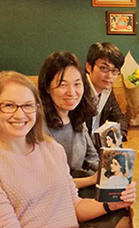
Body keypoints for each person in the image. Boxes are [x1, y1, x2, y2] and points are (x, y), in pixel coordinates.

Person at [0, 71, 136, 227]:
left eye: (28, 105)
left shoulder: (51, 148)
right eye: (8, 105)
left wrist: (111, 204)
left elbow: (73, 206)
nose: (19, 114)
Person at [38, 52, 100, 190]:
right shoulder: (38, 125)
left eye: (77, 84)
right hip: (53, 199)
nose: (72, 92)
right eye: (63, 85)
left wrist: (112, 170)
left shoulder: (75, 115)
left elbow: (92, 158)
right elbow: (48, 183)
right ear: (47, 87)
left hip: (76, 191)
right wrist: (92, 179)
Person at [85, 42, 128, 140]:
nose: (109, 76)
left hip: (99, 145)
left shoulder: (107, 89)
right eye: (104, 68)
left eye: (114, 71)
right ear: (88, 67)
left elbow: (120, 117)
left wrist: (118, 136)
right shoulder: (78, 90)